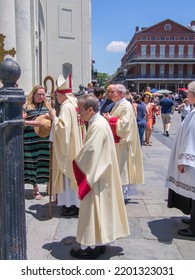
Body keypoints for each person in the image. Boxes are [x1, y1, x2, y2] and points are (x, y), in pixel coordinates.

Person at [70, 94, 130, 259]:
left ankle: (92, 246)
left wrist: (75, 162)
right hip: (102, 173)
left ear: (90, 110)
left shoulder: (97, 125)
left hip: (96, 176)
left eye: (80, 110)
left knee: (94, 211)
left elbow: (91, 152)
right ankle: (100, 242)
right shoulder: (99, 122)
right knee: (101, 210)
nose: (78, 113)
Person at [48, 74, 83, 216]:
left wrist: (53, 117)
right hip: (75, 145)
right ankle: (73, 204)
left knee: (68, 176)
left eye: (57, 94)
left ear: (62, 95)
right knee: (72, 176)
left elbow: (62, 129)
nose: (56, 97)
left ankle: (71, 205)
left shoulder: (66, 107)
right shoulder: (74, 104)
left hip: (68, 149)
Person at [103, 84, 144, 202]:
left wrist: (110, 119)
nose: (110, 94)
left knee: (122, 169)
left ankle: (121, 194)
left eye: (113, 92)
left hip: (122, 143)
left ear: (120, 93)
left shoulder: (126, 106)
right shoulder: (118, 104)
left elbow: (125, 125)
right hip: (117, 142)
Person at [165, 81, 195, 237]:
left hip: (192, 163)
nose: (186, 96)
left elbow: (191, 139)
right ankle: (193, 220)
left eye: (188, 93)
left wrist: (184, 161)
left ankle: (194, 228)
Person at [23, 85, 51, 199]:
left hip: (44, 139)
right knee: (32, 163)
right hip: (30, 140)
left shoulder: (48, 107)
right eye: (39, 94)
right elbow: (20, 121)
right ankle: (35, 188)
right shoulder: (26, 107)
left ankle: (49, 185)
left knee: (45, 162)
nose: (42, 96)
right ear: (33, 94)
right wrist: (31, 123)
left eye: (43, 94)